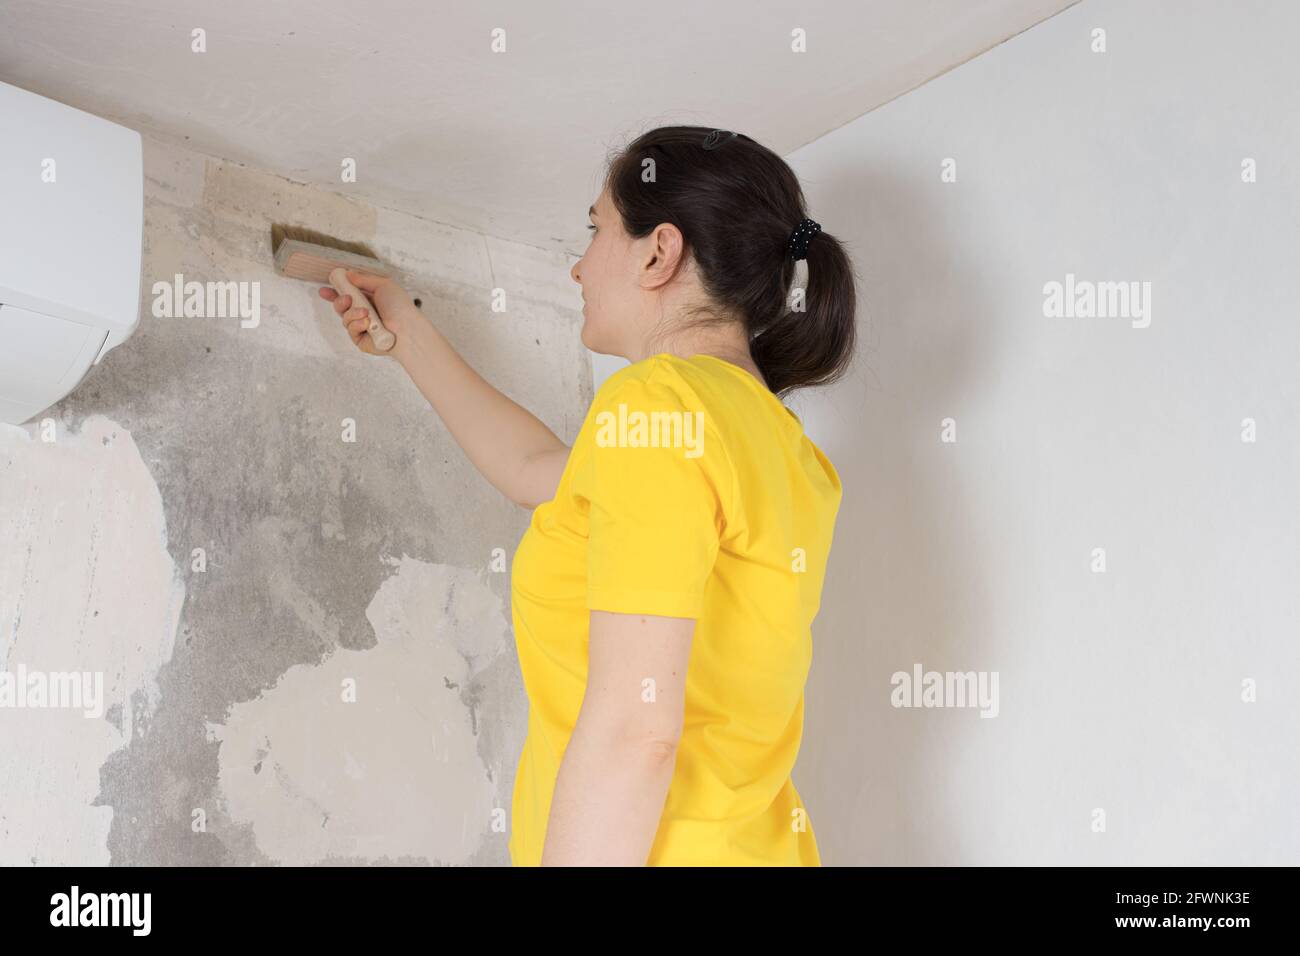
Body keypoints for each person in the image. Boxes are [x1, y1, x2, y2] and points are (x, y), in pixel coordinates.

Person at [319, 125, 857, 866]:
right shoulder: (790, 453)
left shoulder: (657, 407)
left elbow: (638, 731)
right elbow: (536, 467)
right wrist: (404, 329)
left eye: (595, 229)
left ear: (658, 253)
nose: (577, 268)